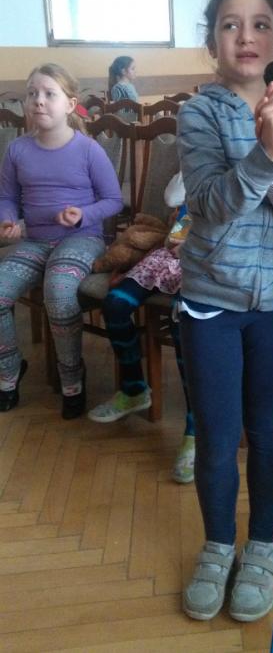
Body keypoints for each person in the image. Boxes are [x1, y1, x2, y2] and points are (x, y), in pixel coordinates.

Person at [176, 0, 273, 622]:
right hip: (211, 303)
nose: (246, 36)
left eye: (260, 24)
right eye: (230, 24)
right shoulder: (198, 112)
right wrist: (263, 155)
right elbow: (208, 204)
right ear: (212, 42)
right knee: (219, 436)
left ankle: (262, 546)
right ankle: (218, 544)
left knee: (271, 434)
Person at [0, 63, 123, 418]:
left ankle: (72, 378)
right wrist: (8, 219)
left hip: (82, 239)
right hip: (35, 242)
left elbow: (113, 200)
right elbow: (7, 197)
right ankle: (9, 371)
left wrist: (82, 214)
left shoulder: (88, 149)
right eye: (32, 94)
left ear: (70, 104)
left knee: (58, 289)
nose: (38, 100)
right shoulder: (17, 150)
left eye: (49, 94)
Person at [87, 175, 196, 485]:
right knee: (115, 305)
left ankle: (195, 427)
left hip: (209, 256)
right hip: (174, 244)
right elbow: (173, 199)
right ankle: (134, 389)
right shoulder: (195, 160)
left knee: (180, 320)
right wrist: (187, 167)